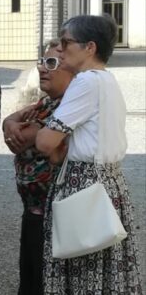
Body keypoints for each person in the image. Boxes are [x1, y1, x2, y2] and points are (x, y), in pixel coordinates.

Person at [36, 15, 142, 294]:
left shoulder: (85, 82)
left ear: (90, 47)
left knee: (82, 268)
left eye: (66, 42)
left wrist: (42, 132)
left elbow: (46, 142)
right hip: (108, 182)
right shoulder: (107, 80)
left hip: (83, 184)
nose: (60, 49)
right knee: (104, 269)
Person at [2, 39, 72, 295]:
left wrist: (15, 127)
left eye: (51, 63)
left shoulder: (69, 105)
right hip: (33, 212)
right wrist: (11, 123)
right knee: (30, 279)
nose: (42, 68)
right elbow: (12, 125)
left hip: (54, 216)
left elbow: (23, 137)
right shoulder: (46, 103)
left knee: (45, 283)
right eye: (42, 61)